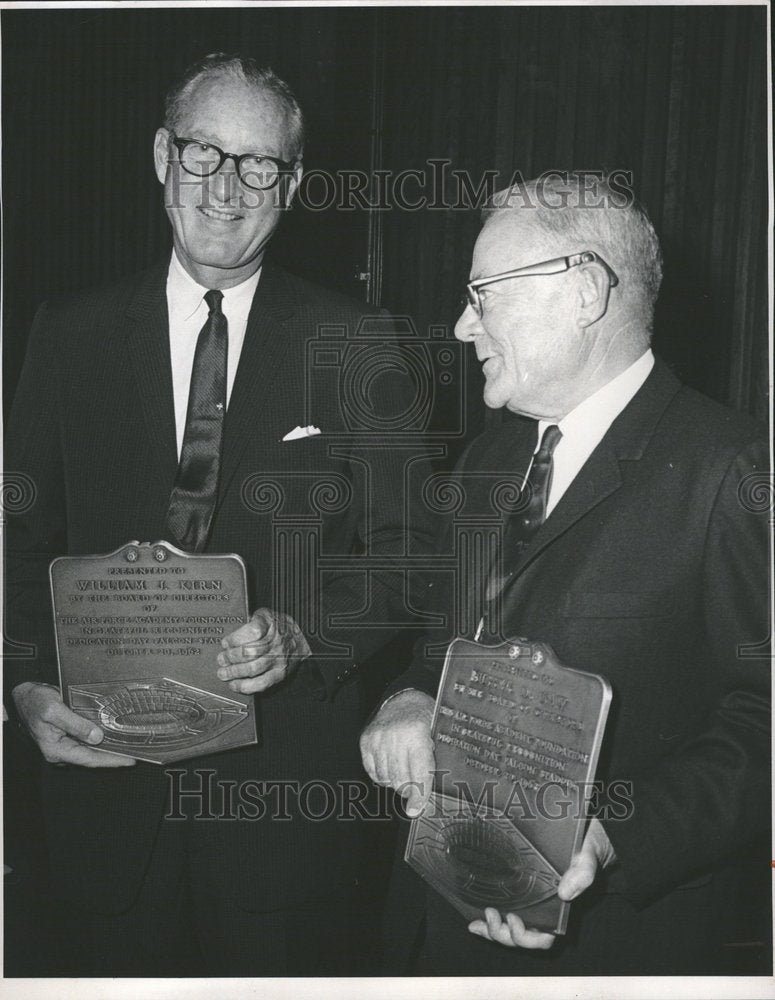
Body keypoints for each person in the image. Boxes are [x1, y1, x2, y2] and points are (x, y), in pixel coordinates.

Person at [4, 53, 434, 976]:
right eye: (204, 155)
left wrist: (301, 634)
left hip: (282, 822)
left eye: (259, 164)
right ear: (163, 156)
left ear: (294, 185)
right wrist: (26, 687)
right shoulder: (65, 332)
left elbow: (413, 557)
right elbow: (15, 537)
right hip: (98, 805)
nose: (227, 189)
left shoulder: (361, 342)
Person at [360, 174, 770, 975]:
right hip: (439, 919)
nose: (459, 326)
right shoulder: (490, 456)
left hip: (612, 946)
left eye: (483, 295)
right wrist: (407, 698)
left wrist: (615, 833)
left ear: (583, 292)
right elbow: (440, 644)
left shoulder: (729, 469)